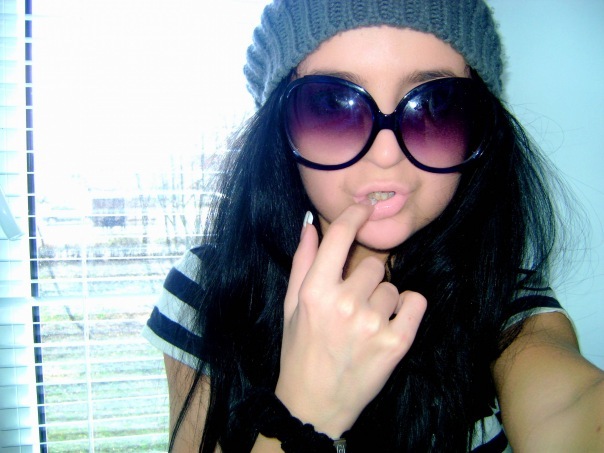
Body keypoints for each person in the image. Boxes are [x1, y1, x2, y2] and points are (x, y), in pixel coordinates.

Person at [142, 0, 604, 451]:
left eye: (437, 105)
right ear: (279, 130)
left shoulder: (504, 302)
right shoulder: (209, 289)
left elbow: (571, 404)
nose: (386, 154)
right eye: (330, 105)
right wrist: (304, 411)